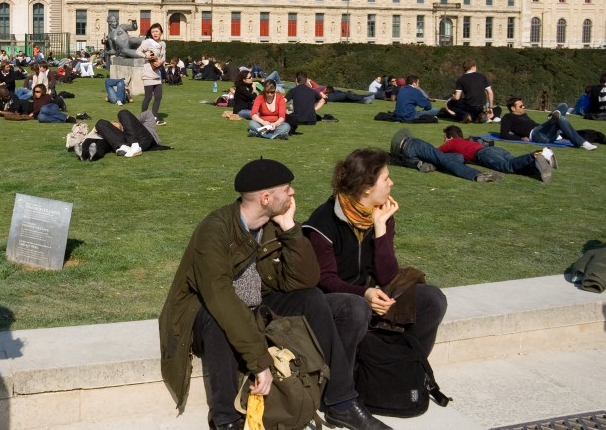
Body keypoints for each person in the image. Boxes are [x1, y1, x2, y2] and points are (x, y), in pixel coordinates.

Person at [158, 159, 392, 430]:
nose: (293, 193)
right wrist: (260, 362)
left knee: (313, 299)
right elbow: (221, 299)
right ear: (266, 198)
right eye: (287, 189)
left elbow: (306, 281)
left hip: (259, 305)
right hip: (204, 312)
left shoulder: (273, 224)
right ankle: (226, 419)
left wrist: (291, 230)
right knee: (216, 318)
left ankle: (342, 402)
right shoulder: (215, 230)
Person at [302, 149, 448, 384]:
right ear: (367, 188)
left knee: (432, 299)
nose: (392, 183)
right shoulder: (323, 222)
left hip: (371, 291)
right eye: (386, 178)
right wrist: (365, 294)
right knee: (356, 307)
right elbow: (325, 280)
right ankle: (343, 388)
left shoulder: (381, 214)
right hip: (336, 300)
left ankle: (406, 368)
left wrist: (380, 228)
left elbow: (387, 275)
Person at [440, 125, 555, 182]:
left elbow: (436, 153)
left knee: (507, 167)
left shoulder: (452, 142)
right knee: (516, 165)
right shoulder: (466, 141)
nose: (444, 141)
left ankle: (538, 153)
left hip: (482, 154)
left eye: (444, 138)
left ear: (449, 136)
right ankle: (537, 165)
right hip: (495, 150)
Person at [388, 127, 501, 182]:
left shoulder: (396, 145)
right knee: (443, 159)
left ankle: (425, 164)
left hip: (407, 158)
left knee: (458, 157)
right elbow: (438, 154)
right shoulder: (410, 137)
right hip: (411, 145)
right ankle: (476, 175)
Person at [500, 98, 597, 150]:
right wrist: (520, 138)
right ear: (513, 108)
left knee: (564, 106)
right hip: (537, 135)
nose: (524, 107)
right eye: (521, 106)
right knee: (561, 118)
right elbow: (503, 135)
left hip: (547, 133)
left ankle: (553, 118)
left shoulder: (524, 115)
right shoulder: (507, 117)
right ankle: (582, 143)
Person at [79, 109, 161, 159]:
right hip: (127, 145)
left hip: (145, 139)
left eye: (115, 124)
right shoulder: (119, 136)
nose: (114, 127)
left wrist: (129, 123)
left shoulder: (143, 125)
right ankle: (124, 148)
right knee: (100, 123)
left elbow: (148, 114)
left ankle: (135, 145)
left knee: (123, 113)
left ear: (120, 123)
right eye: (113, 126)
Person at [445, 59, 496, 123]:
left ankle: (465, 115)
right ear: (473, 67)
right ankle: (478, 117)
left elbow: (457, 97)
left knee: (450, 103)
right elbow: (490, 92)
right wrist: (490, 107)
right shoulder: (482, 77)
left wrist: (450, 98)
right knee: (466, 104)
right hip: (481, 106)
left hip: (469, 105)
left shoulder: (461, 79)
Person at [139, 23, 167, 124]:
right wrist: (146, 56)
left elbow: (163, 56)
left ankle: (154, 117)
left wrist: (161, 62)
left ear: (161, 32)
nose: (154, 33)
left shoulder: (163, 44)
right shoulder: (147, 42)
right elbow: (138, 52)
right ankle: (143, 118)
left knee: (158, 96)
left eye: (156, 31)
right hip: (148, 72)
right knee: (148, 96)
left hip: (157, 71)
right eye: (152, 31)